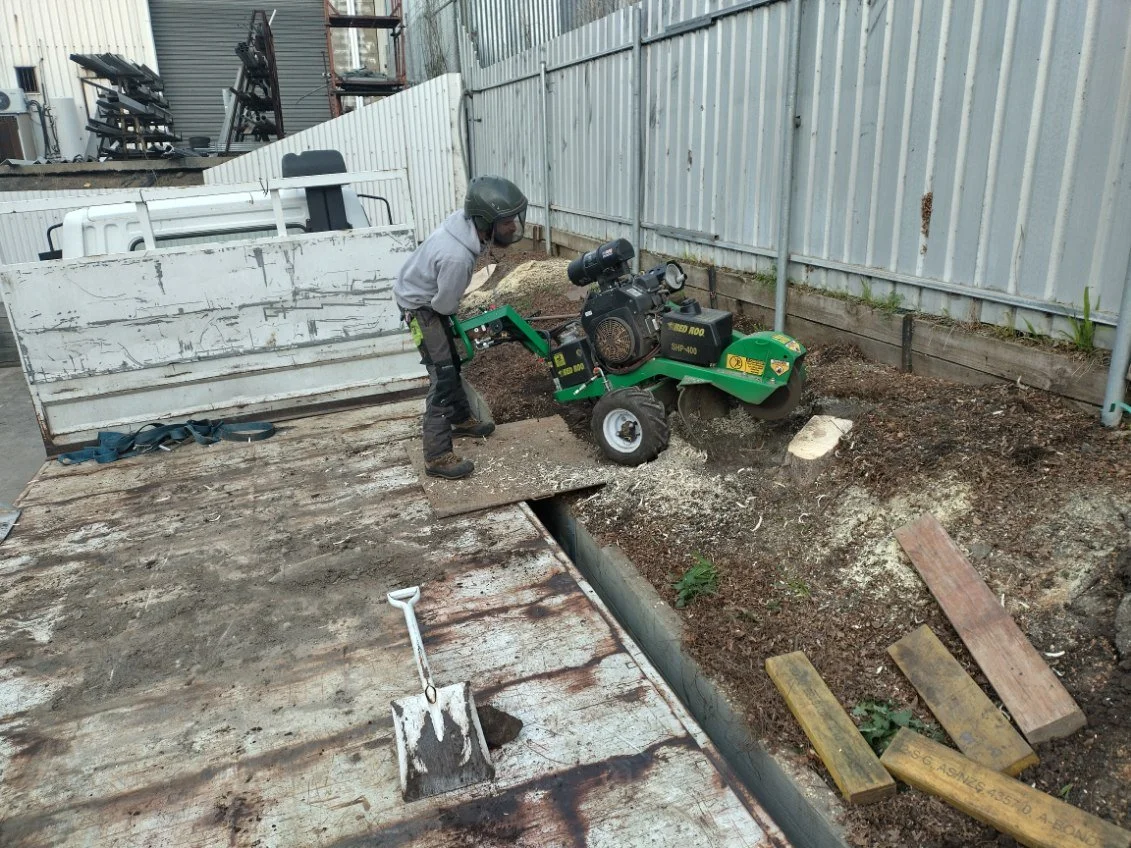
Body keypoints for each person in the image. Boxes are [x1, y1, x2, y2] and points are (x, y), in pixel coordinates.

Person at [393, 176, 528, 480]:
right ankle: (437, 456)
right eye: (507, 222)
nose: (513, 227)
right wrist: (451, 317)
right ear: (486, 221)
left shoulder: (464, 227)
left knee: (452, 363)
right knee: (442, 374)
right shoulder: (457, 257)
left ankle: (460, 419)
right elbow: (443, 306)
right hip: (421, 309)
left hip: (427, 296)